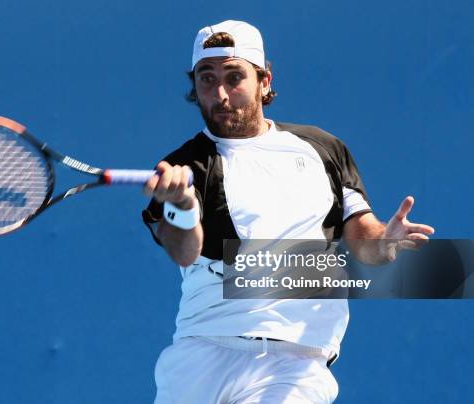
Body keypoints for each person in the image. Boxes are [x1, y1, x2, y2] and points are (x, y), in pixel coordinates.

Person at [142, 20, 434, 404]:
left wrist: (385, 241)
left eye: (234, 77)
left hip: (295, 363)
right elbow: (183, 251)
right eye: (206, 79)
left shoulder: (323, 149)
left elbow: (363, 240)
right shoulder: (183, 167)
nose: (221, 94)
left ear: (264, 81)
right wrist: (180, 205)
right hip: (201, 353)